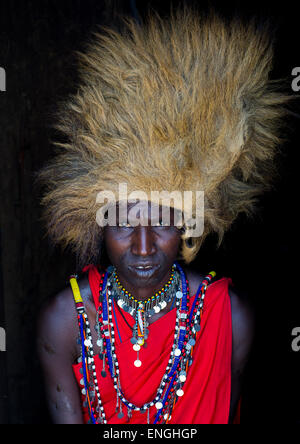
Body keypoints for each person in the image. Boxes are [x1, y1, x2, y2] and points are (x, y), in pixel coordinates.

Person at [36, 6, 291, 424]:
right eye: (124, 224)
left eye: (162, 223)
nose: (142, 247)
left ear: (189, 226)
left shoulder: (228, 318)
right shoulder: (66, 320)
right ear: (99, 226)